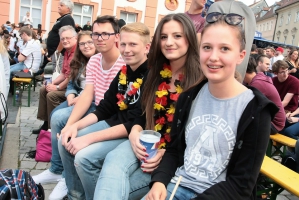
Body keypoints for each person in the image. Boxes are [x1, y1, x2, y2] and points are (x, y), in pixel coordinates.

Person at [144, 5, 278, 200]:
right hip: (177, 186)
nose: (213, 57)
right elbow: (174, 151)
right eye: (207, 47)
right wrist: (159, 182)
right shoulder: (189, 97)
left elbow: (242, 184)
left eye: (224, 48)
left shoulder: (256, 110)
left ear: (240, 56)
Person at [95, 13, 204, 200]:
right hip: (147, 143)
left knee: (120, 189)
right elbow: (141, 113)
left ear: (190, 38)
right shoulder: (155, 73)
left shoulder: (200, 80)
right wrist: (135, 132)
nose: (169, 42)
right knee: (112, 162)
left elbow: (196, 136)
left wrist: (165, 152)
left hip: (175, 158)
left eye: (177, 36)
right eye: (163, 37)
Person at [32, 15, 125, 199]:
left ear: (117, 36)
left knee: (69, 139)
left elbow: (112, 108)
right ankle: (64, 179)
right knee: (63, 130)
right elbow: (88, 94)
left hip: (112, 118)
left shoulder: (124, 62)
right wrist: (70, 125)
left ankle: (73, 188)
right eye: (97, 34)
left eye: (105, 34)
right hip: (99, 111)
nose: (100, 38)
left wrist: (74, 125)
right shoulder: (94, 61)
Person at [58, 21, 150, 200]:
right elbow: (104, 109)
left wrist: (87, 138)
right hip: (113, 123)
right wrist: (75, 126)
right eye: (123, 44)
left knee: (84, 157)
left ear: (146, 47)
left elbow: (135, 123)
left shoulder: (151, 75)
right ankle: (75, 195)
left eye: (133, 44)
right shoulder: (124, 71)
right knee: (66, 138)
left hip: (129, 133)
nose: (126, 49)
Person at [33, 25, 77, 133]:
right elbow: (63, 74)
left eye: (68, 38)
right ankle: (46, 122)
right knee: (44, 89)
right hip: (66, 84)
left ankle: (53, 127)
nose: (65, 41)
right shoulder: (67, 51)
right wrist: (51, 83)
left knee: (52, 95)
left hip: (74, 87)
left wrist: (57, 87)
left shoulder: (77, 52)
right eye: (62, 39)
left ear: (75, 38)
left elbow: (71, 77)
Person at [244, 56, 285, 134]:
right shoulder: (256, 79)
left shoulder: (257, 84)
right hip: (270, 120)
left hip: (274, 124)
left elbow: (246, 107)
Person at [46, 0, 75, 74]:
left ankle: (58, 85)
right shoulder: (63, 18)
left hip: (60, 53)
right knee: (56, 72)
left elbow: (66, 36)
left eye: (61, 5)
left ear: (68, 8)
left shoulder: (67, 18)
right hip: (56, 53)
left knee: (58, 73)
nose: (58, 6)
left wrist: (58, 51)